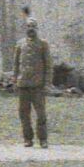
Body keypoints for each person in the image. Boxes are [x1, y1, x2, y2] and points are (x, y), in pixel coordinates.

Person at [13, 18, 52, 148]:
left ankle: (43, 139)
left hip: (38, 86)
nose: (31, 29)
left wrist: (47, 83)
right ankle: (27, 139)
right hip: (23, 84)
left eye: (33, 26)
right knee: (24, 114)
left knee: (41, 114)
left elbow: (48, 66)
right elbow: (16, 65)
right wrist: (15, 81)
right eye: (28, 26)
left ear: (37, 28)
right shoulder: (20, 44)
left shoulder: (43, 44)